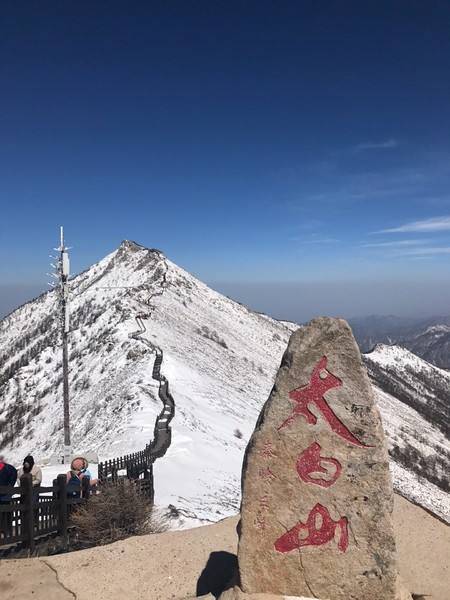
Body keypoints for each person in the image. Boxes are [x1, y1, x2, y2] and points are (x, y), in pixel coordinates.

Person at [0, 456, 18, 538]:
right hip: (5, 495)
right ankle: (5, 530)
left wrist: (10, 487)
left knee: (6, 513)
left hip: (5, 495)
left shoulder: (8, 468)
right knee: (4, 513)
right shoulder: (9, 468)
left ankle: (5, 530)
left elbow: (13, 476)